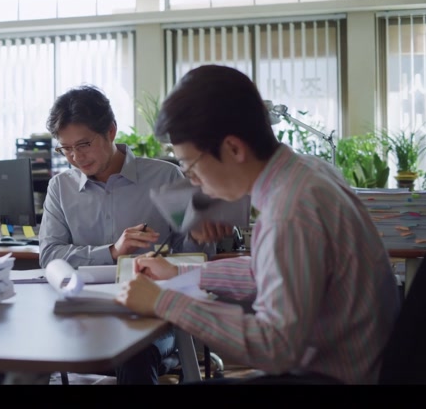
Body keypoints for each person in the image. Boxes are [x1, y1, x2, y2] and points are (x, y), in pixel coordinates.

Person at [116, 64, 402, 385]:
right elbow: (267, 271)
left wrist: (163, 301)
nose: (191, 180)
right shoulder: (307, 172)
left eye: (189, 165)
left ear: (234, 148)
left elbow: (275, 346)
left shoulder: (289, 211)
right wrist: (180, 272)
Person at [38, 84, 231, 385]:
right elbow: (50, 256)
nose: (76, 156)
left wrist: (200, 234)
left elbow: (196, 260)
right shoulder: (60, 187)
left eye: (84, 144)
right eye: (66, 148)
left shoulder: (165, 177)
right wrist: (113, 251)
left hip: (153, 316)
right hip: (85, 315)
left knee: (132, 352)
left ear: (111, 131)